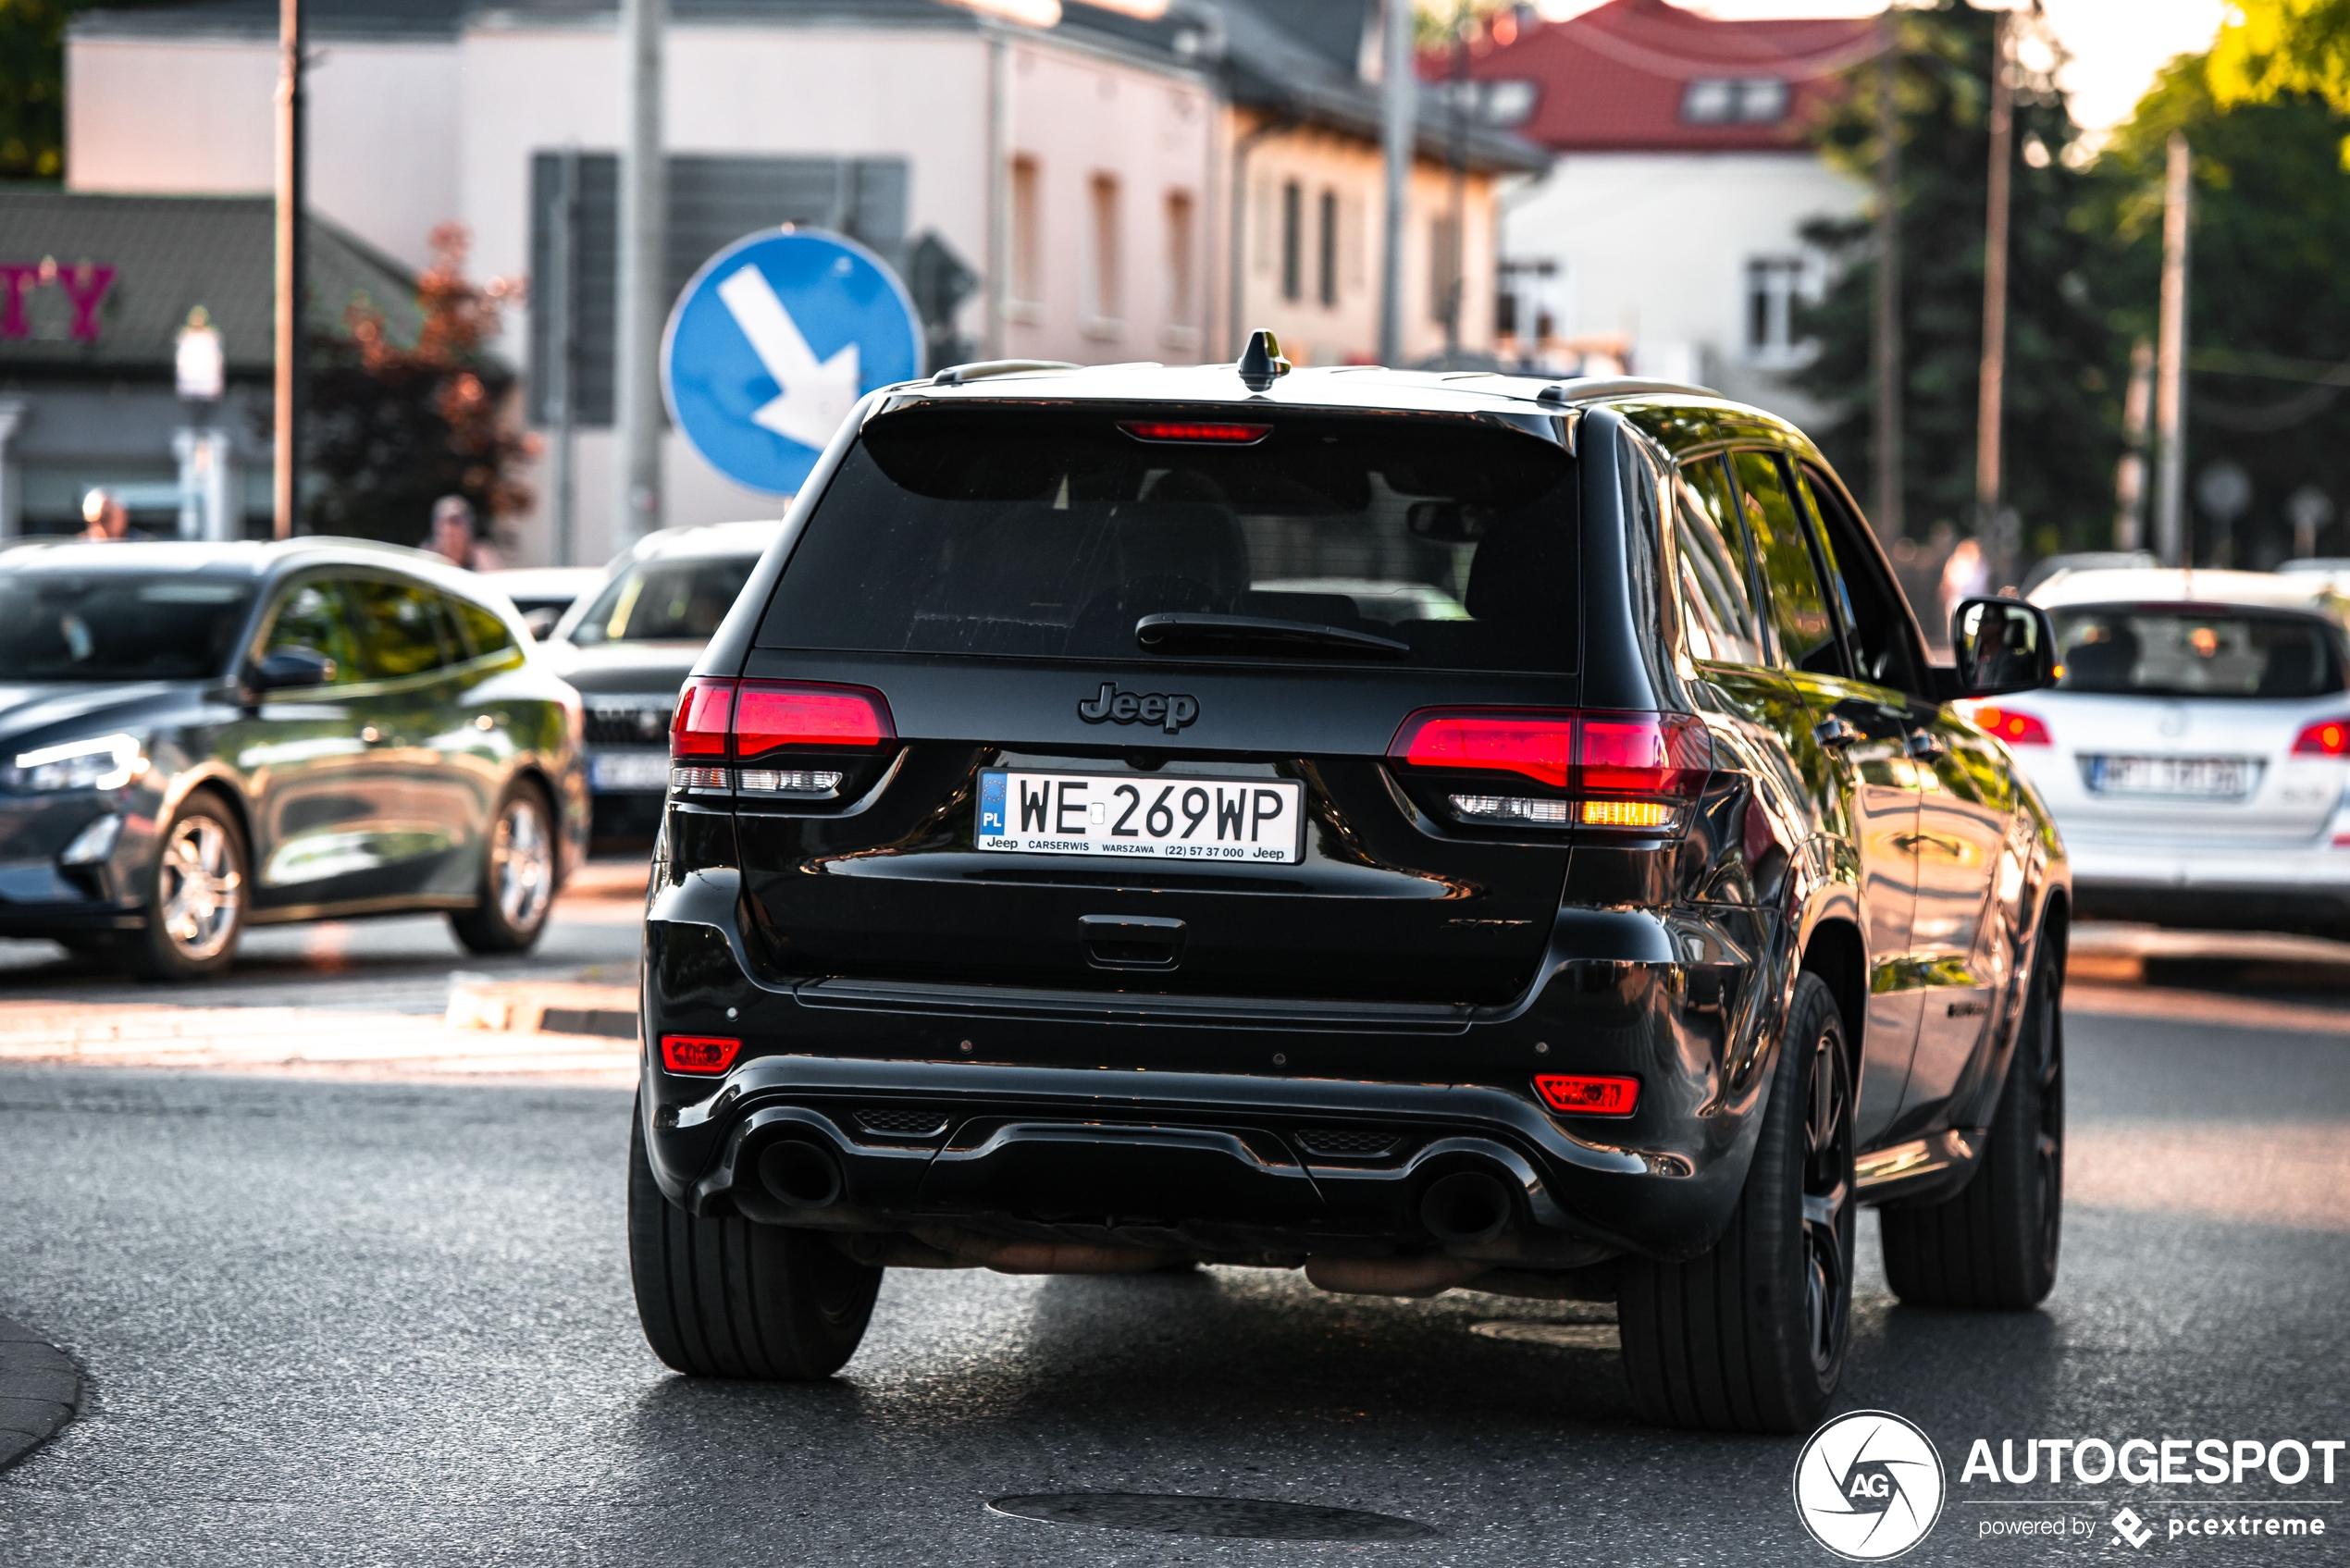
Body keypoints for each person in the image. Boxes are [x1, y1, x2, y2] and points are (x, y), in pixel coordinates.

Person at [425, 494, 501, 570]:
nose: (451, 529)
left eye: (458, 522)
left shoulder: (481, 554)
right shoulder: (427, 556)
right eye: (449, 521)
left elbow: (494, 577)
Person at [78, 488, 147, 542]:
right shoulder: (78, 547)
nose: (99, 526)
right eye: (91, 521)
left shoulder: (144, 545)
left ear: (123, 516)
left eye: (105, 519)